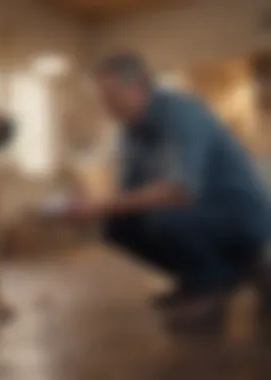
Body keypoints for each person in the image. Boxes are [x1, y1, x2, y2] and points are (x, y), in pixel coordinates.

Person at [53, 52, 270, 319]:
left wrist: (100, 205)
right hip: (198, 215)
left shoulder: (181, 113)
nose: (104, 104)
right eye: (101, 97)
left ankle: (215, 283)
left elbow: (179, 190)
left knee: (166, 217)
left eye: (110, 95)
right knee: (116, 226)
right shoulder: (131, 131)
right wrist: (88, 208)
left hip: (238, 216)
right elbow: (128, 197)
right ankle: (208, 277)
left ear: (138, 86)